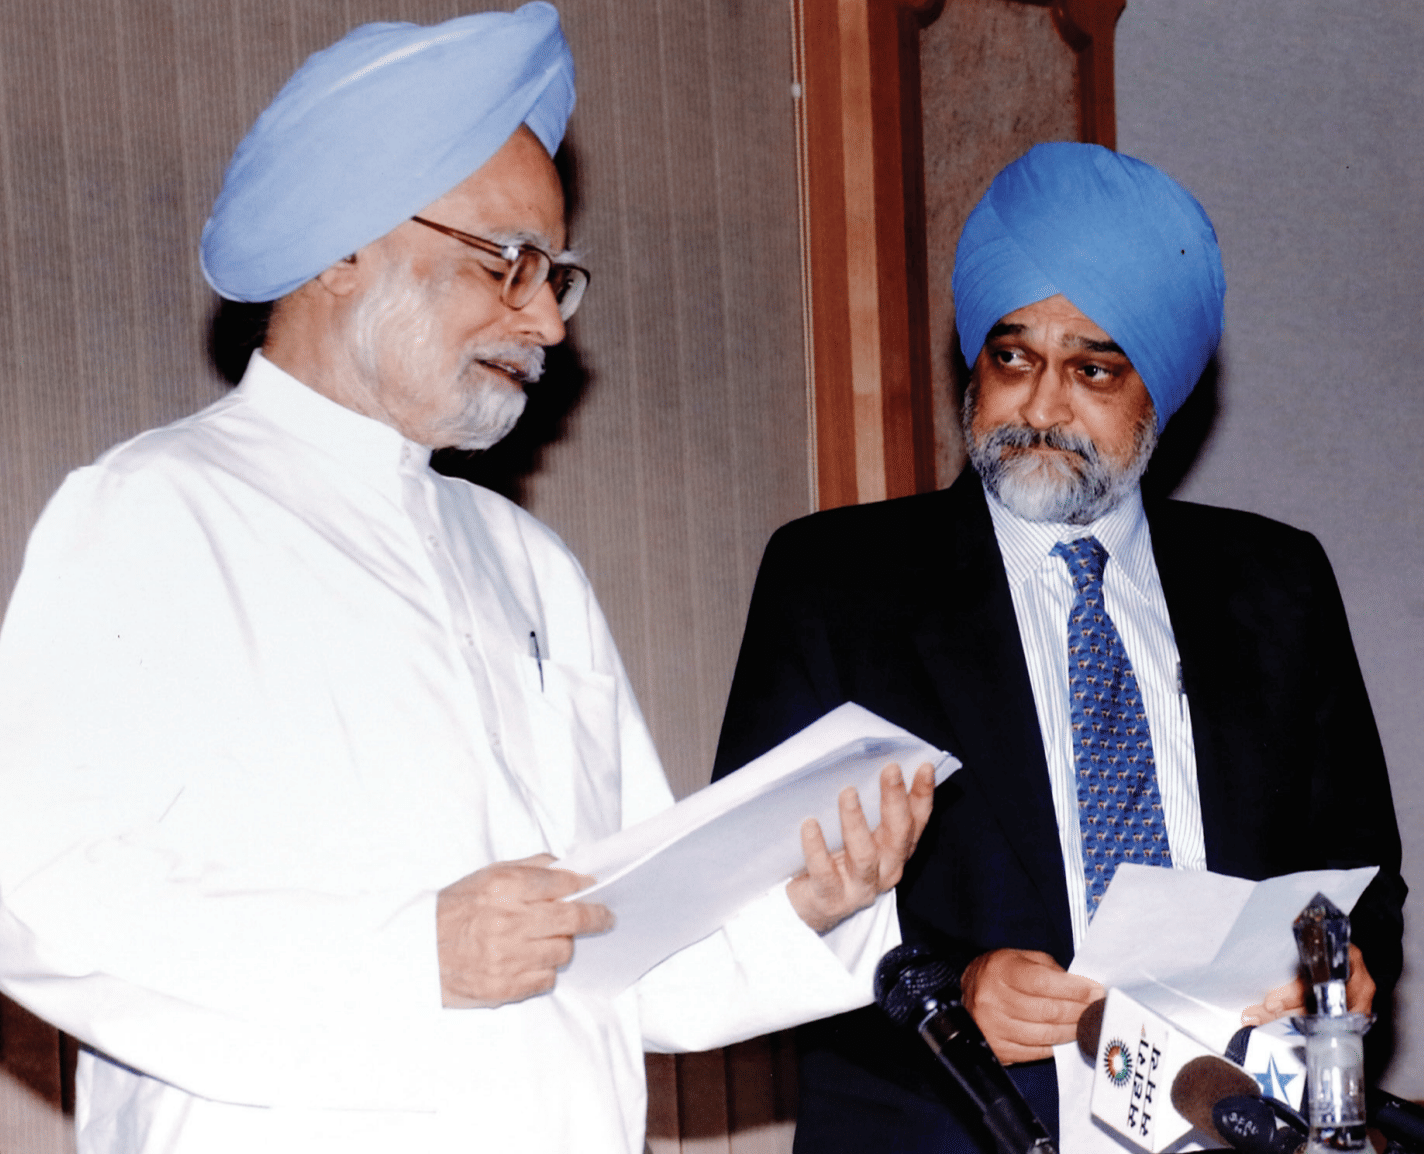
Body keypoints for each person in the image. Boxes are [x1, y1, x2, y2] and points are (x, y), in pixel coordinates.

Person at [0, 7, 935, 1153]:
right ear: (340, 248)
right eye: (508, 262)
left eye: (555, 276)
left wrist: (807, 903)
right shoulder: (160, 509)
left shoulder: (527, 562)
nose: (545, 319)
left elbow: (621, 958)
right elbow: (39, 891)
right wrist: (412, 952)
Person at [711, 142, 1405, 1154]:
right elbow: (753, 902)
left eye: (1091, 370)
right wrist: (950, 993)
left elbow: (1358, 881)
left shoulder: (1274, 582)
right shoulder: (837, 583)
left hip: (1236, 1121)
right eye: (1012, 358)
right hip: (954, 1127)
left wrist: (1335, 973)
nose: (1040, 407)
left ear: (1157, 391)